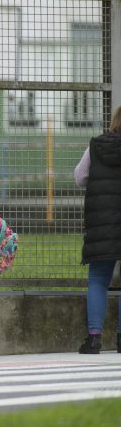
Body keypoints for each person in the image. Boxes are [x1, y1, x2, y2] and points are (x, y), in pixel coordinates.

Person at [73, 105, 121, 354]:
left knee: (98, 280)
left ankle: (93, 339)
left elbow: (80, 176)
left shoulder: (96, 146)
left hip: (102, 221)